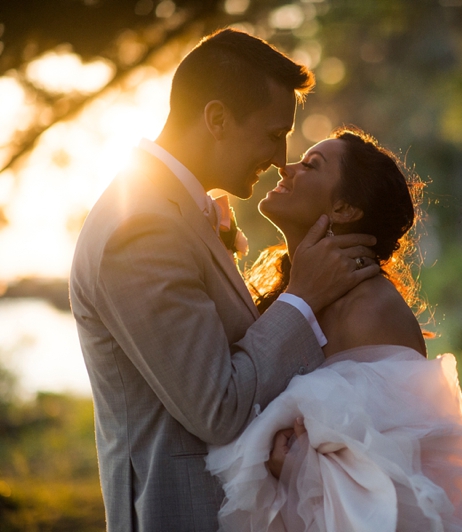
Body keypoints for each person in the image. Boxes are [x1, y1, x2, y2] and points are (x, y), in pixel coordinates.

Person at [69, 29, 379, 531]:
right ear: (216, 118)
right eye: (273, 132)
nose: (281, 157)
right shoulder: (141, 227)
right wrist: (300, 298)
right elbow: (218, 407)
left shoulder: (176, 212)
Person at [206, 127, 462, 531]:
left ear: (343, 209)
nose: (283, 168)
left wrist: (292, 460)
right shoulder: (291, 292)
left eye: (310, 165)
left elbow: (385, 477)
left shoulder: (370, 310)